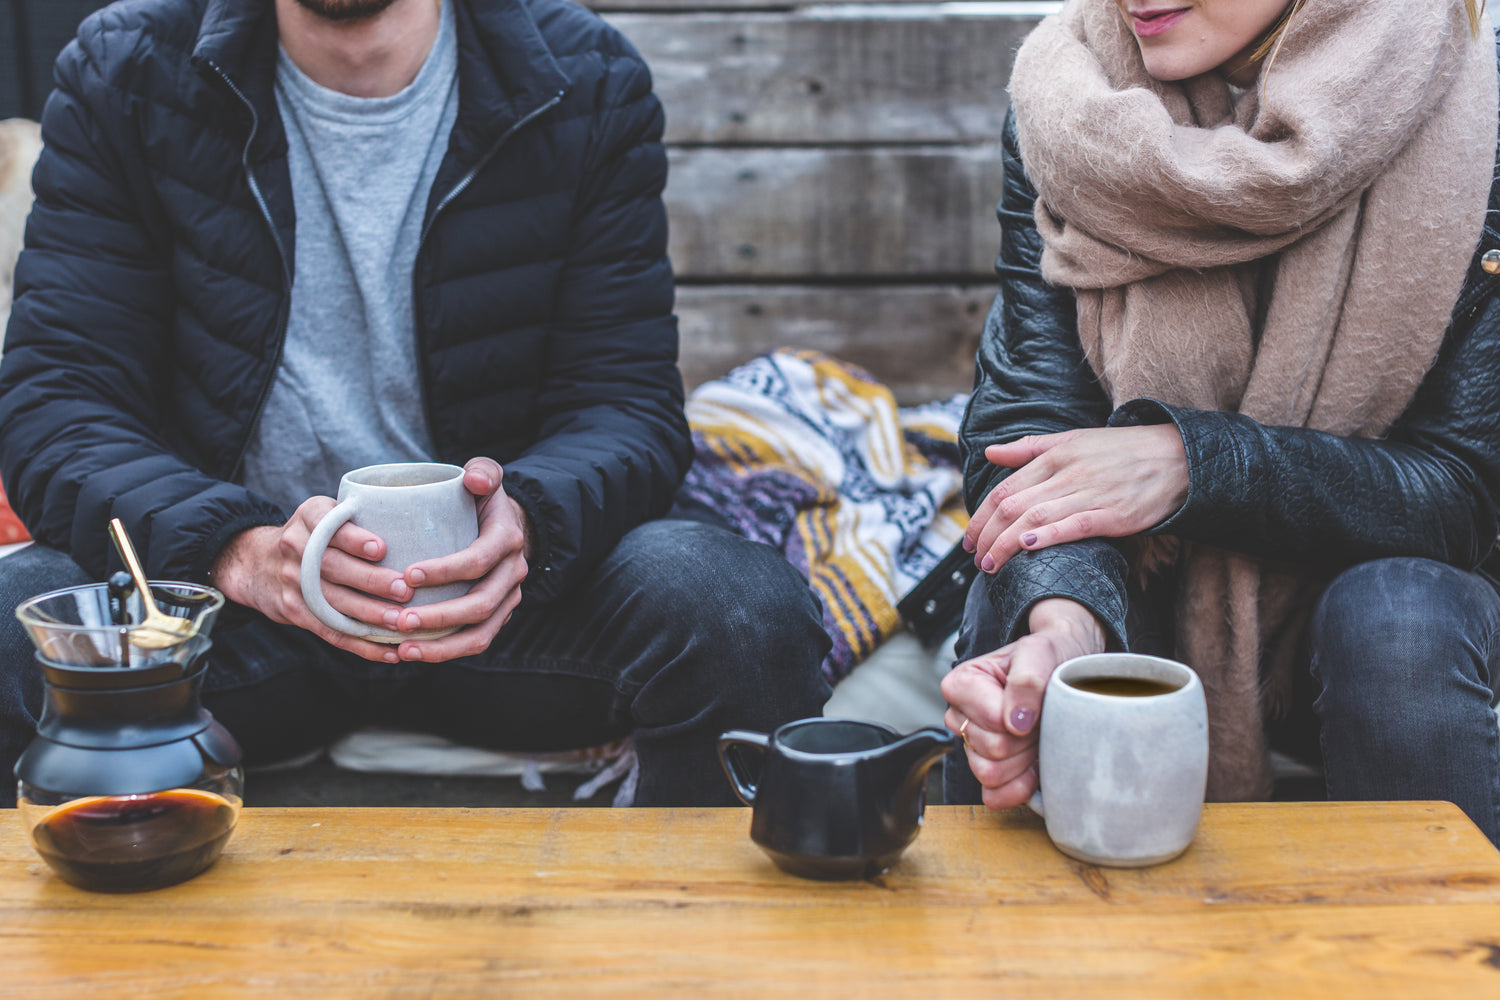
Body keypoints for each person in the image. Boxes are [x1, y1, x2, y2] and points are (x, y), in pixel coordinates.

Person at [0, 0, 832, 807]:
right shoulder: (128, 69)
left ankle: (694, 944)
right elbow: (59, 404)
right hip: (231, 620)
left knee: (737, 609)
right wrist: (240, 555)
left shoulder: (584, 75)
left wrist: (530, 527)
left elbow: (626, 405)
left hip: (502, 611)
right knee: (15, 611)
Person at [942, 0, 1500, 845]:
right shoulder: (1071, 99)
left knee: (1399, 621)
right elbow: (1032, 426)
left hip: (1366, 618)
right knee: (1014, 601)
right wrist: (1063, 624)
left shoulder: (1478, 104)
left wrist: (1191, 464)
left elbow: (1462, 492)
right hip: (1149, 593)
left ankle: (1445, 965)